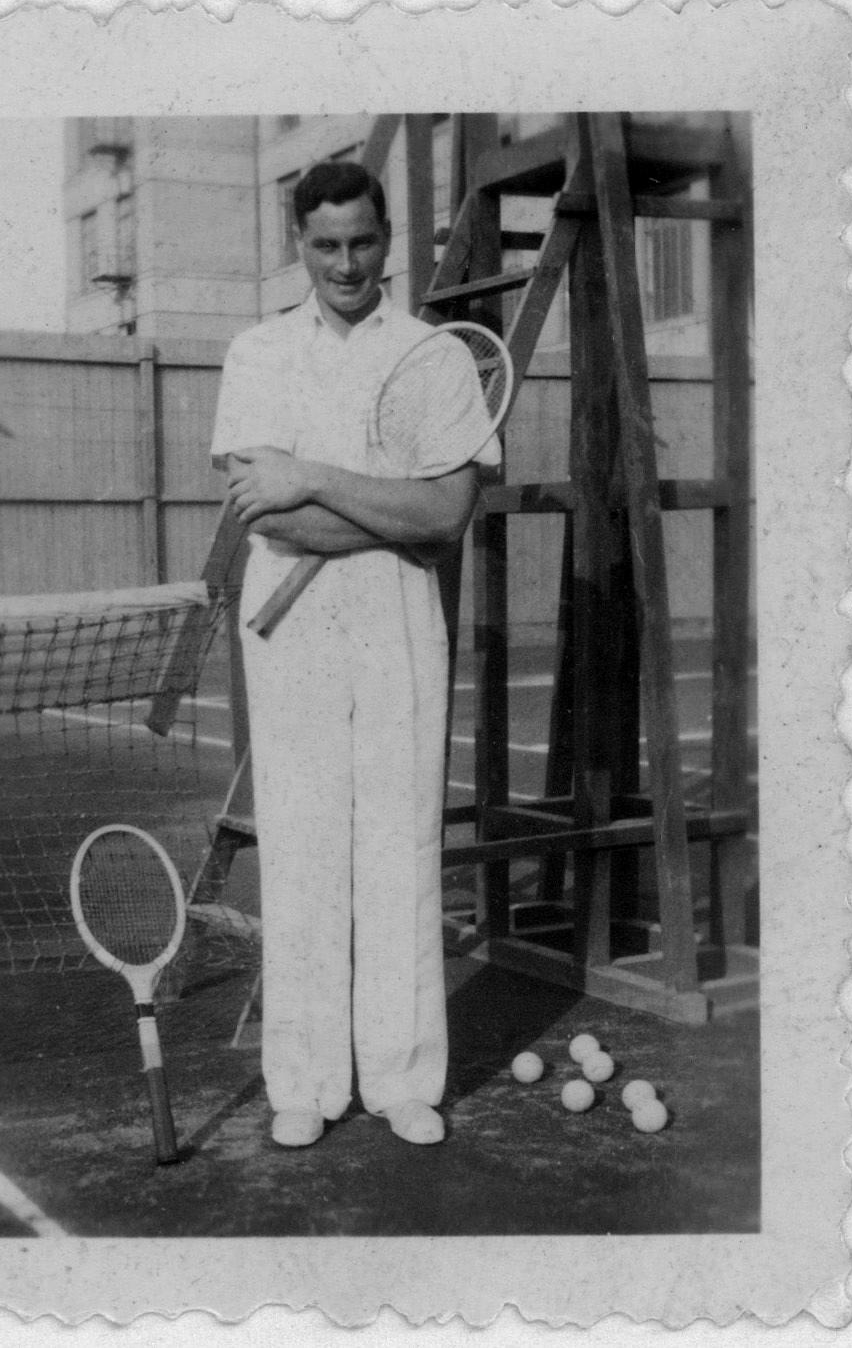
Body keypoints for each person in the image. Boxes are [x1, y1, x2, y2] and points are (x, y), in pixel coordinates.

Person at [210, 160, 500, 1148]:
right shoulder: (256, 354)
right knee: (299, 848)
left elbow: (446, 516)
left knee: (398, 846)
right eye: (325, 245)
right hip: (289, 628)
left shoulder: (431, 356)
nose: (345, 264)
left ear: (388, 240)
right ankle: (303, 1084)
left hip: (397, 620)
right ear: (298, 244)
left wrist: (311, 477)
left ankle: (403, 1079)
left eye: (363, 242)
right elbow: (270, 522)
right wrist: (385, 507)